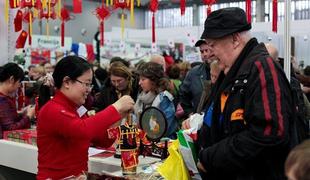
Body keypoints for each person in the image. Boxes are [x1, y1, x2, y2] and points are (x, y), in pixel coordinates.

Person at [197, 7, 296, 179]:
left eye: (213, 45)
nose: (210, 53)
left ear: (235, 39)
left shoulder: (262, 70)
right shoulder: (232, 72)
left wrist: (212, 157)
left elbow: (269, 134)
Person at [36, 56, 135, 180]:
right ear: (67, 82)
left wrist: (119, 116)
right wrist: (115, 108)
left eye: (90, 84)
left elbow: (103, 140)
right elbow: (82, 130)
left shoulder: (76, 109)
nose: (88, 90)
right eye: (86, 84)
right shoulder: (52, 109)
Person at [134, 62, 177, 139]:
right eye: (139, 79)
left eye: (143, 79)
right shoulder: (142, 97)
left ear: (153, 80)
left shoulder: (164, 98)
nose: (139, 83)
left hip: (164, 143)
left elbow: (164, 128)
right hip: (146, 140)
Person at [178, 37, 214, 116]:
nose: (204, 54)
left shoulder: (224, 70)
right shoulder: (193, 73)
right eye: (201, 51)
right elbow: (183, 93)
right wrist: (190, 112)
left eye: (206, 50)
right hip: (199, 119)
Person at [0, 63, 35, 139]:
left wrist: (21, 113)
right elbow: (10, 130)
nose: (19, 85)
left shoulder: (4, 98)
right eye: (19, 82)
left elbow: (6, 119)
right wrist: (28, 116)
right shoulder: (2, 100)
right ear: (12, 79)